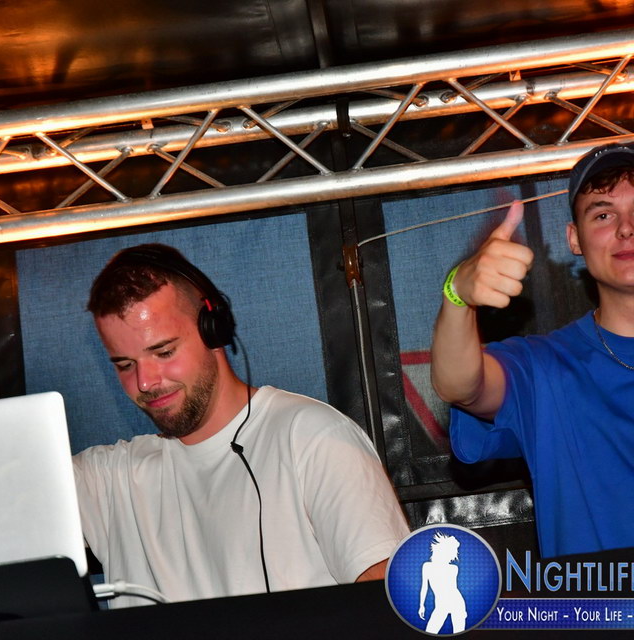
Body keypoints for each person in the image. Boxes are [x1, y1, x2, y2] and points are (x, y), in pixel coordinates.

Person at [73, 243, 409, 607]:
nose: (145, 381)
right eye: (125, 365)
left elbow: (385, 606)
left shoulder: (312, 438)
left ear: (212, 330)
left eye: (164, 352)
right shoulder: (108, 480)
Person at [430, 142, 634, 558]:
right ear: (574, 239)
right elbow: (460, 386)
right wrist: (457, 294)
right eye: (603, 214)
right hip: (603, 599)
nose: (626, 228)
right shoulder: (545, 366)